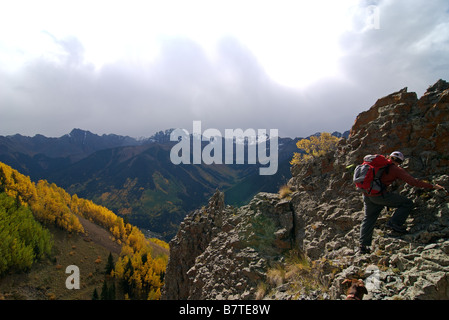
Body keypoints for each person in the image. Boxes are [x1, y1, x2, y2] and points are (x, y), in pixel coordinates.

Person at [359, 151, 445, 254]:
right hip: (379, 195)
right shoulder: (395, 169)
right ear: (400, 161)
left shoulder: (378, 164)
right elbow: (413, 182)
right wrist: (432, 186)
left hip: (367, 194)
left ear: (389, 157)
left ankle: (363, 246)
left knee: (369, 218)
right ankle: (394, 223)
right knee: (407, 203)